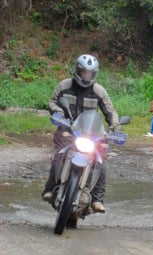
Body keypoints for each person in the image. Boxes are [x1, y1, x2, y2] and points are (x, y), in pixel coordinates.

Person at [42, 54, 121, 213]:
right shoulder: (64, 85)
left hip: (91, 134)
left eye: (90, 74)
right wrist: (58, 111)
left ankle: (97, 199)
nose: (86, 76)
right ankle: (50, 189)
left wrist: (115, 126)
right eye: (83, 72)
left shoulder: (99, 91)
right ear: (77, 70)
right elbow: (52, 102)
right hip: (68, 130)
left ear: (95, 74)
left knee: (101, 161)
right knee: (59, 155)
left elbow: (110, 111)